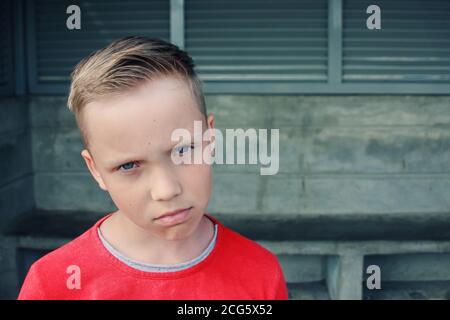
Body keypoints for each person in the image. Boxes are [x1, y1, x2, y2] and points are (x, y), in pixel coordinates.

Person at [18, 36, 288, 300]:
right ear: (95, 170)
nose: (166, 190)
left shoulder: (260, 273)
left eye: (183, 150)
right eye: (128, 165)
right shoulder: (53, 285)